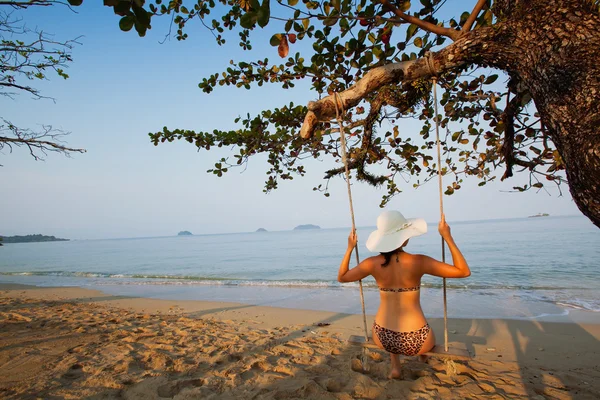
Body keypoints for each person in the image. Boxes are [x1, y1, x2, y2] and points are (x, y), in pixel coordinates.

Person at [337, 210, 470, 379]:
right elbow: (463, 271)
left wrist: (349, 248)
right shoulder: (419, 261)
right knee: (423, 332)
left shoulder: (371, 264)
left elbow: (342, 277)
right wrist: (447, 237)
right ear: (403, 238)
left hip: (384, 338)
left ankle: (395, 368)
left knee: (391, 327)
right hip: (419, 341)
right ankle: (423, 356)